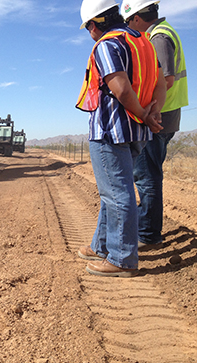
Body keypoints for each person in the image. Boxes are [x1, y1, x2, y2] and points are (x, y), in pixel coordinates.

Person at [76, 0, 166, 277]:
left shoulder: (107, 45)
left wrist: (141, 112)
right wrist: (152, 113)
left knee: (117, 194)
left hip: (110, 131)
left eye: (88, 28)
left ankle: (121, 259)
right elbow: (161, 82)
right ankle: (101, 244)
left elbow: (121, 89)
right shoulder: (142, 41)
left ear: (94, 24)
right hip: (137, 131)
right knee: (113, 191)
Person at [121, 0, 188, 248]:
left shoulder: (158, 37)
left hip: (159, 117)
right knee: (149, 174)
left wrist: (145, 111)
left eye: (129, 22)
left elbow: (166, 80)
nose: (129, 27)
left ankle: (148, 235)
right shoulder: (164, 31)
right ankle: (148, 229)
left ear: (137, 18)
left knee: (147, 177)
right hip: (164, 115)